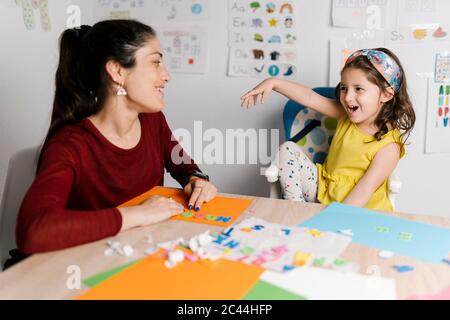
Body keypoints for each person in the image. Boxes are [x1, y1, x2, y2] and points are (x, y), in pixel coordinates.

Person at [13, 20, 217, 259]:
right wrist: (137, 214)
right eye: (155, 62)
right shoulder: (70, 145)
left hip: (138, 253)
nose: (166, 75)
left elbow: (184, 166)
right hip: (83, 266)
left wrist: (196, 179)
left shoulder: (153, 120)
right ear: (117, 71)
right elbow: (33, 232)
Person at [241, 48, 415, 213]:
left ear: (386, 94)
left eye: (359, 89)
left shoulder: (388, 146)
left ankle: (316, 218)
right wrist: (274, 83)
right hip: (324, 190)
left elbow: (364, 191)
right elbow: (309, 98)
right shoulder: (345, 115)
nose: (347, 97)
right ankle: (297, 210)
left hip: (358, 211)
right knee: (287, 149)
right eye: (344, 88)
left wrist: (332, 219)